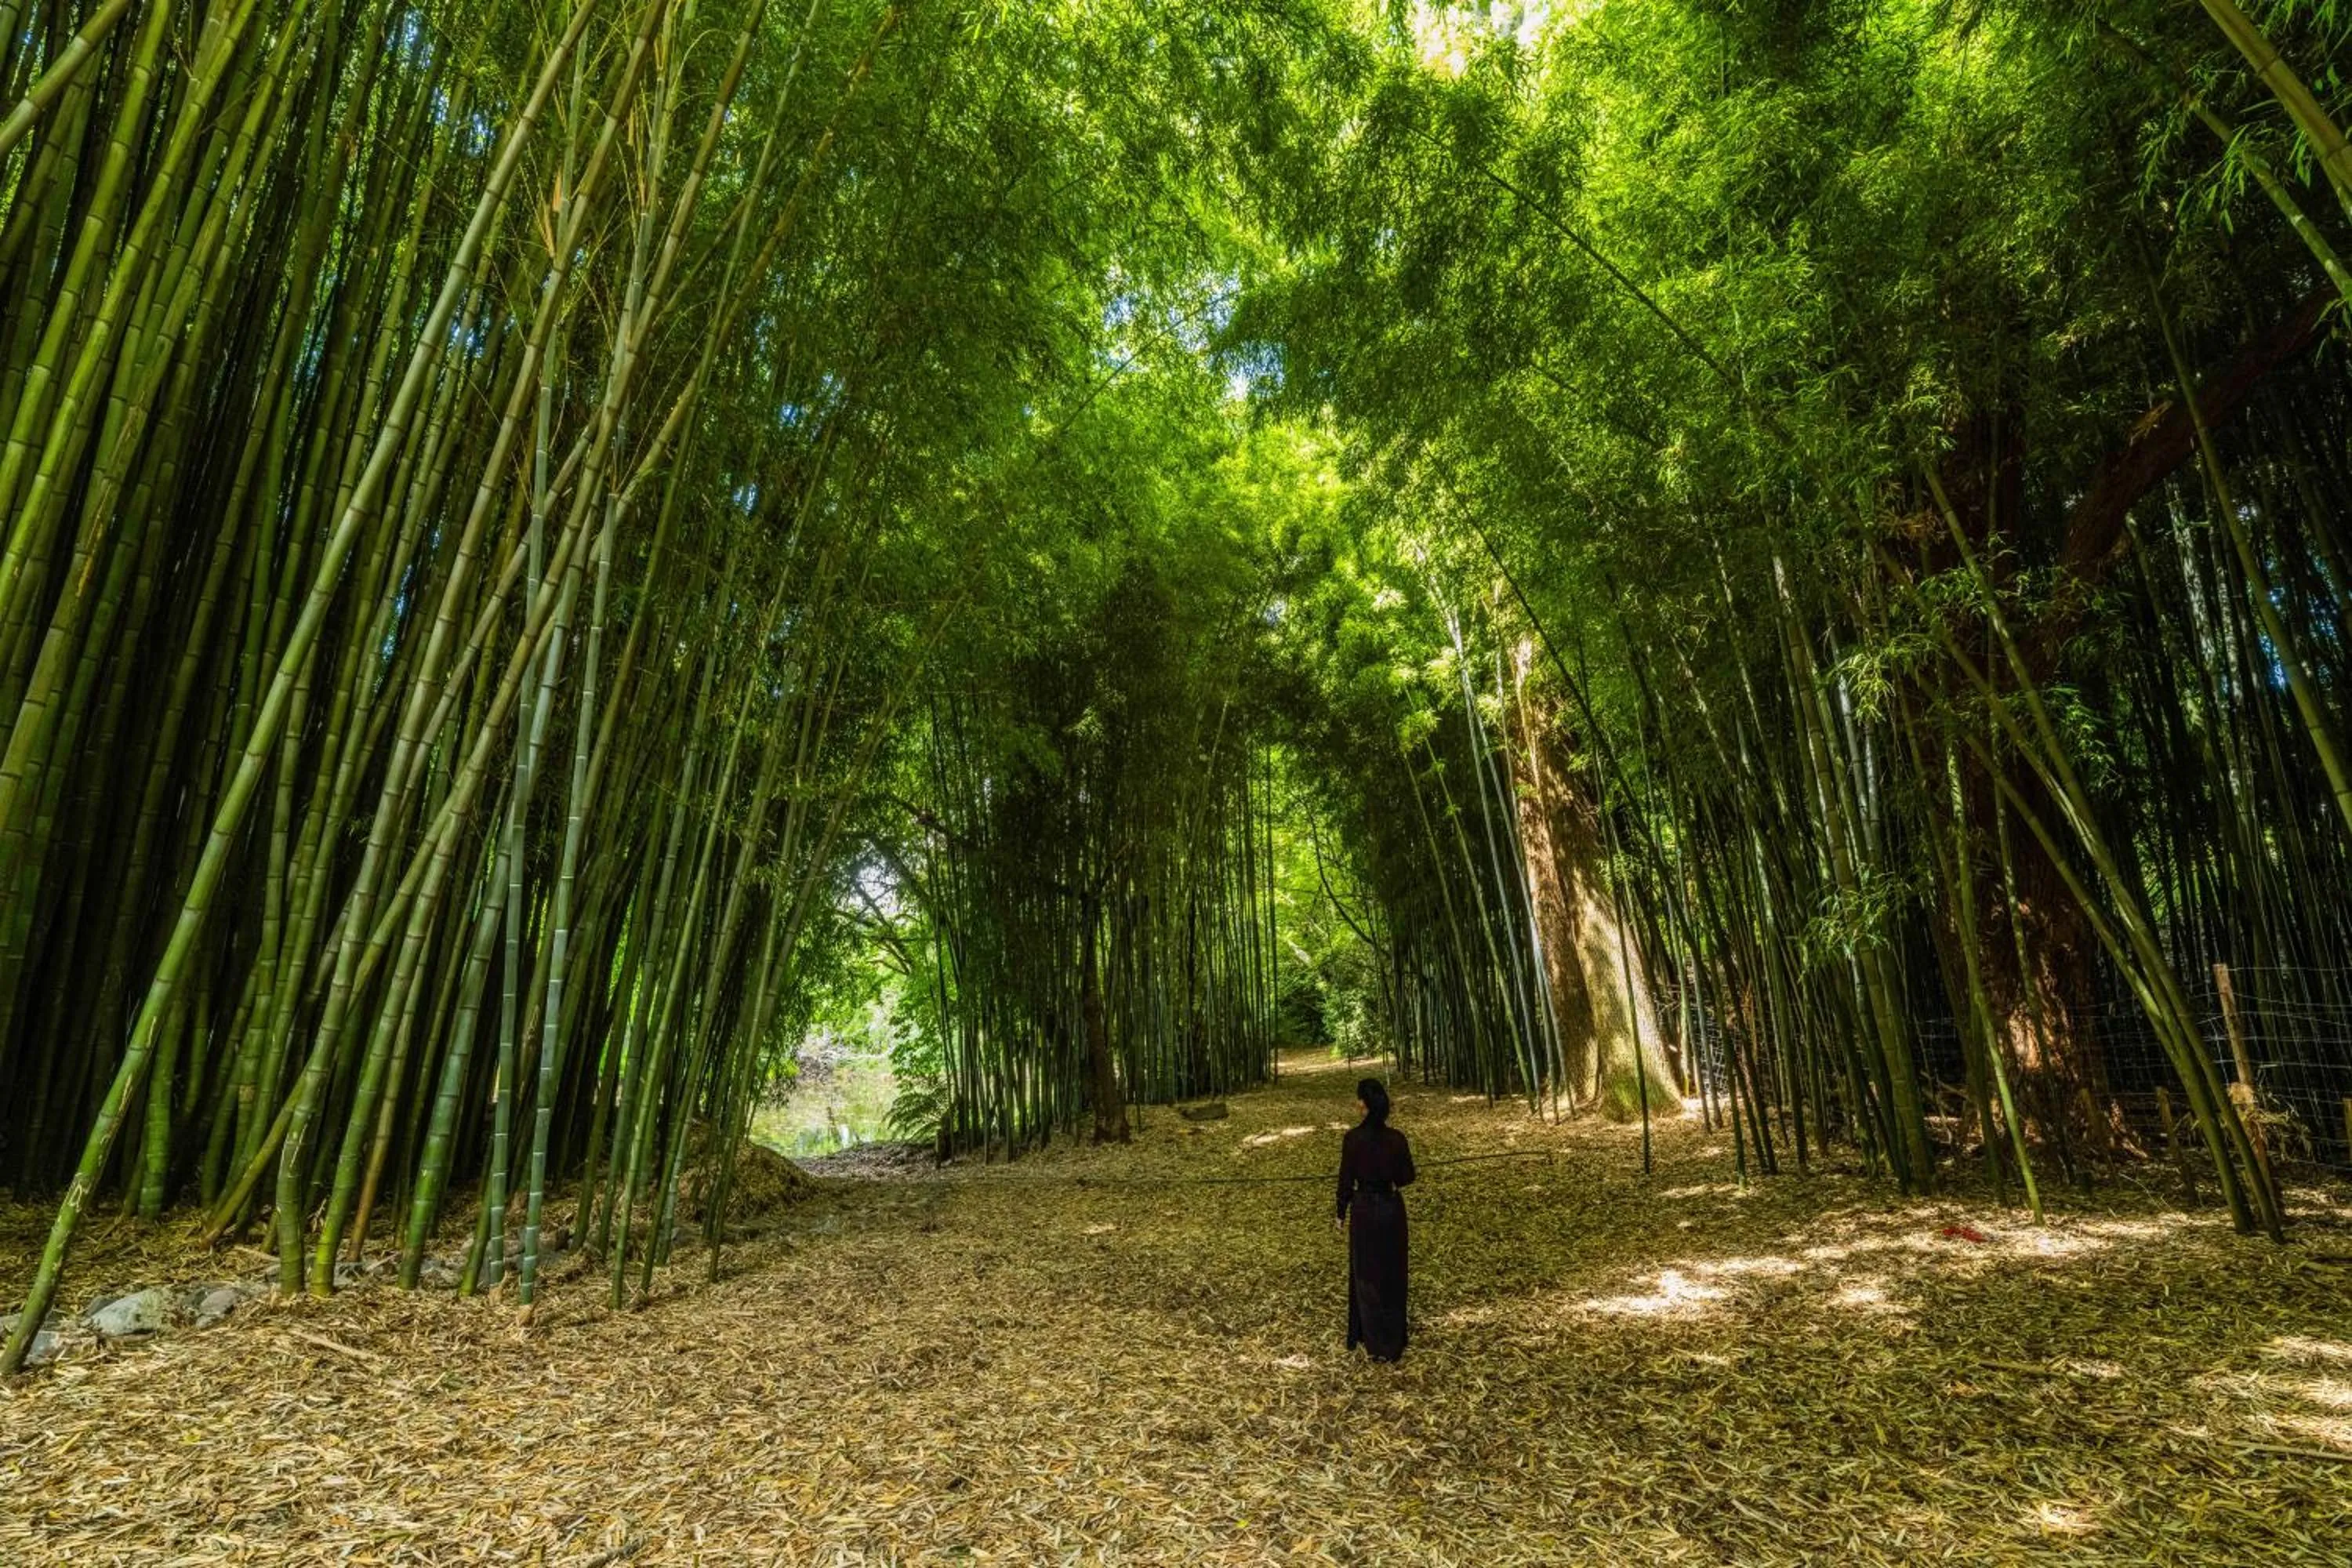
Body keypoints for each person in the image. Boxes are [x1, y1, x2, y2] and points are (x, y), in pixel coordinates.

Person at [1334, 1076, 1415, 1362]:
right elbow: (1408, 1177)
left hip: (1365, 1209)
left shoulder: (1352, 1139)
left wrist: (1340, 1211)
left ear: (1365, 1105)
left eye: (1358, 1099)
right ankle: (1393, 1339)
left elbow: (1346, 1179)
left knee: (1366, 1274)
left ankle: (1372, 1339)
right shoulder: (1397, 1139)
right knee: (1393, 1272)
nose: (1356, 1103)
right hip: (1392, 1208)